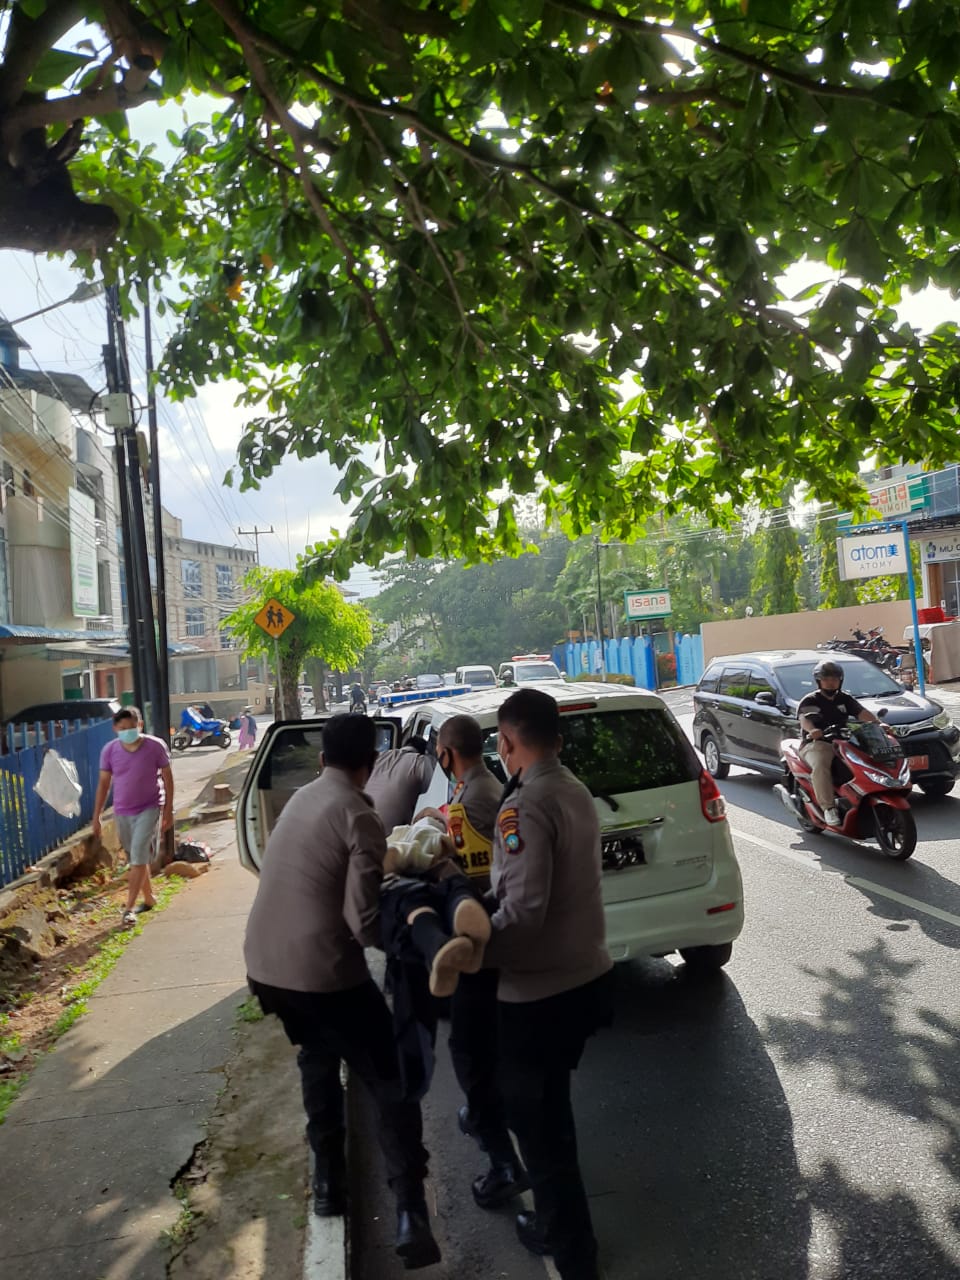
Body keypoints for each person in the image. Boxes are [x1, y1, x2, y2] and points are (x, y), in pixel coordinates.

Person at [244, 714, 440, 1270]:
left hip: (265, 968)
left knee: (317, 1054)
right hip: (323, 974)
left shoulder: (300, 800)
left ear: (321, 758)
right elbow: (363, 921)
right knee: (391, 1079)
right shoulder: (359, 813)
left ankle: (329, 1182)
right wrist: (407, 931)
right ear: (371, 763)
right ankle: (410, 1210)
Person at [485, 688, 613, 1280]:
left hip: (539, 993)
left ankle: (571, 1251)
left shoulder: (525, 805)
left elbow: (523, 911)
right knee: (551, 1121)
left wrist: (471, 954)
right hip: (585, 976)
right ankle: (562, 1228)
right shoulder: (574, 789)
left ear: (507, 741)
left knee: (540, 1132)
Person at [415, 713, 528, 1210]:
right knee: (480, 1045)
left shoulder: (481, 793)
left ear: (446, 753)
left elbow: (490, 864)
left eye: (438, 751)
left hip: (482, 938)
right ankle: (484, 1113)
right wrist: (439, 819)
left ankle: (503, 1161)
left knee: (469, 1049)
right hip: (480, 936)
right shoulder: (474, 787)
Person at [92, 706, 173, 929]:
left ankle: (128, 909)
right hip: (123, 811)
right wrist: (97, 815)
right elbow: (104, 784)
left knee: (138, 854)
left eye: (132, 727)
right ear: (115, 729)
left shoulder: (155, 746)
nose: (128, 731)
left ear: (140, 725)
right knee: (136, 857)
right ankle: (149, 898)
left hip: (150, 807)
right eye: (123, 728)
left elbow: (168, 778)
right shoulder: (109, 751)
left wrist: (168, 810)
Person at [798, 659, 888, 827]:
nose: (831, 682)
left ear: (840, 680)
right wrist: (813, 730)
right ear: (819, 681)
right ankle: (828, 808)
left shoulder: (844, 698)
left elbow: (861, 713)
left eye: (835, 679)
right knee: (821, 764)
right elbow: (805, 719)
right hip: (816, 743)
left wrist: (878, 724)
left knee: (865, 757)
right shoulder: (811, 700)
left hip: (842, 741)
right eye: (826, 679)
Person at [365, 736, 434, 833]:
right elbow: (434, 788)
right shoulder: (419, 761)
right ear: (422, 752)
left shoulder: (380, 756)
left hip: (362, 826)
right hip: (390, 836)